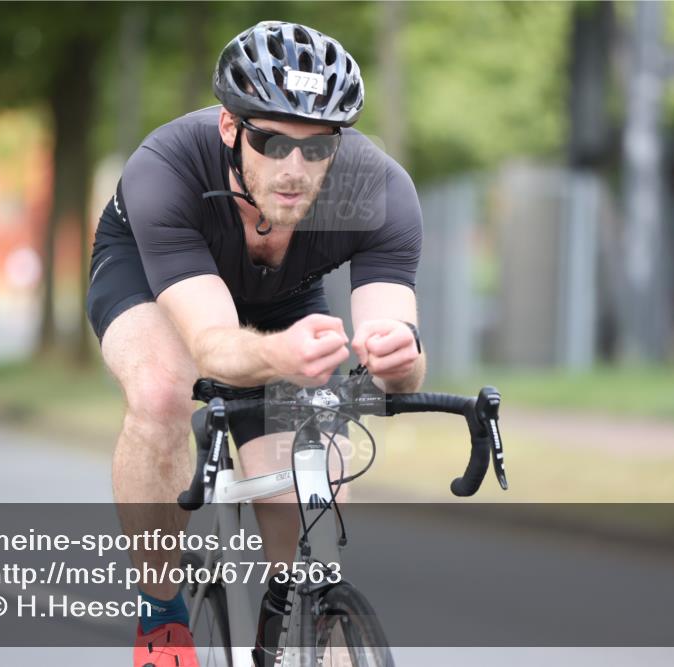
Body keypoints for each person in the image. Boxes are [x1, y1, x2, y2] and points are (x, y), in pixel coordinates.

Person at [87, 20, 426, 667]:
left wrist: (398, 359)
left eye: (317, 148)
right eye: (271, 141)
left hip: (281, 296)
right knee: (164, 389)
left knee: (306, 475)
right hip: (156, 273)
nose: (295, 169)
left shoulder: (377, 189)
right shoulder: (169, 168)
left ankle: (299, 625)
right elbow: (212, 346)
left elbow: (400, 348)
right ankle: (162, 620)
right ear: (229, 127)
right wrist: (280, 358)